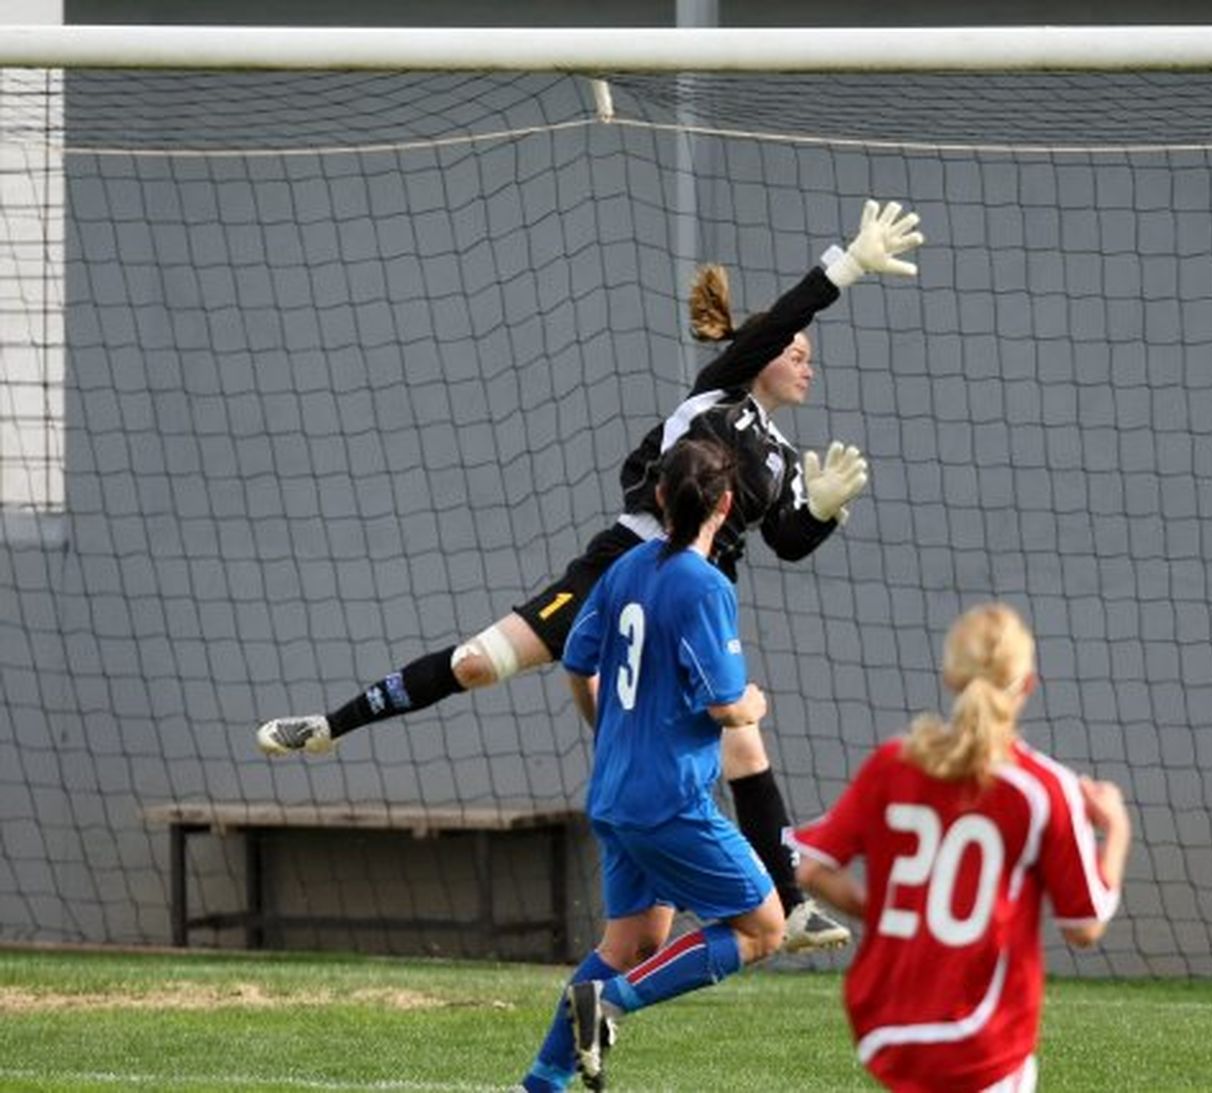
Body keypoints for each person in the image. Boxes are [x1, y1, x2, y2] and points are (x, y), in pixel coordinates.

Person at [254, 199, 924, 951]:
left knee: (741, 738)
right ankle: (329, 727)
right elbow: (781, 320)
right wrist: (846, 266)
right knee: (479, 664)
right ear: (761, 351)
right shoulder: (719, 393)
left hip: (697, 594)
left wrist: (823, 511)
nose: (807, 360)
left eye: (807, 352)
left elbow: (788, 541)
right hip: (621, 560)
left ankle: (790, 904)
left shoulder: (775, 455)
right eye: (796, 349)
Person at [516, 435, 784, 1093]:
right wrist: (750, 701)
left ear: (660, 495)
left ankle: (542, 1082)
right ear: (725, 505)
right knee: (764, 927)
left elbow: (578, 661)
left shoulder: (627, 567)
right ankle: (609, 1004)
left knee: (632, 941)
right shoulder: (707, 585)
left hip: (613, 792)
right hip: (669, 800)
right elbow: (725, 707)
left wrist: (607, 728)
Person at [792, 603, 1132, 1093]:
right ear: (1028, 684)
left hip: (887, 1022)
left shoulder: (893, 763)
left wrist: (888, 912)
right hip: (983, 1035)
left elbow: (811, 867)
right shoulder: (1042, 789)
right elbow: (1085, 926)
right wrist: (1116, 826)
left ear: (951, 677)